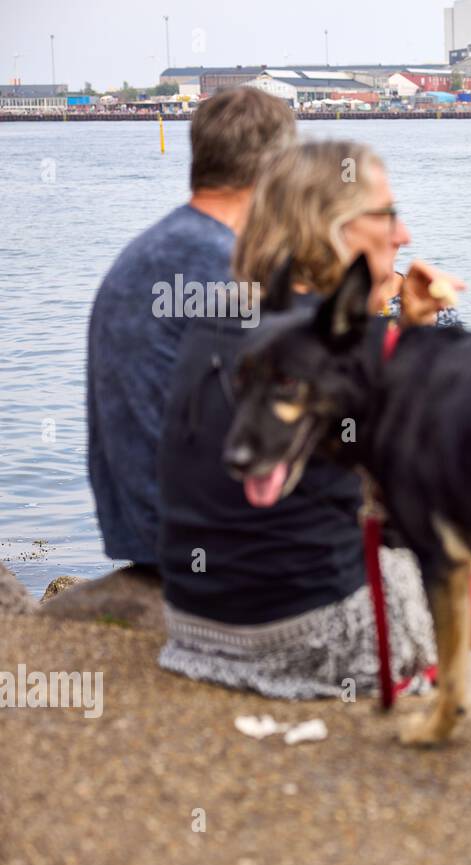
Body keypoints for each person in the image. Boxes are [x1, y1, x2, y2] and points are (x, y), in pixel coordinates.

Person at [156, 140, 461, 698]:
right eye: (386, 214)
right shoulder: (350, 345)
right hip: (308, 637)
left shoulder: (214, 319)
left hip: (192, 626)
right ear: (334, 228)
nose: (403, 235)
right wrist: (414, 341)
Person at [86, 86, 296, 567]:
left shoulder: (143, 253)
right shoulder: (227, 267)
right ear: (276, 172)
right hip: (204, 534)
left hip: (134, 523)